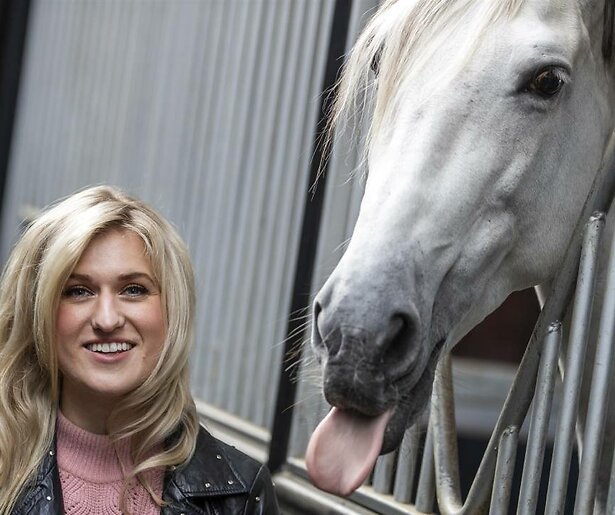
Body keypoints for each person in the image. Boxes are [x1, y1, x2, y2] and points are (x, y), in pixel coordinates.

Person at [0, 185, 279, 514]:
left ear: (172, 310)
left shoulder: (239, 494)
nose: (107, 319)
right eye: (78, 291)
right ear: (38, 312)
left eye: (133, 290)